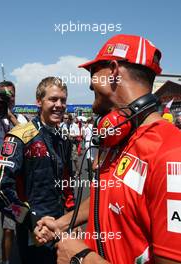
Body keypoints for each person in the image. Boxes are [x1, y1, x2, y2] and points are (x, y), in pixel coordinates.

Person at [35, 35, 181, 264]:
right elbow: (108, 197)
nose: (90, 83)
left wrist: (81, 258)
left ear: (113, 71)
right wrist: (62, 223)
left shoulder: (172, 153)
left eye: (93, 72)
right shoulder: (118, 138)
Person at [0, 76, 75, 264]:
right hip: (34, 227)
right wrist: (29, 220)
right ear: (39, 101)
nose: (59, 105)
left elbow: (67, 184)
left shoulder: (63, 140)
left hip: (60, 224)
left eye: (63, 100)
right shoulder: (20, 136)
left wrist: (72, 220)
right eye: (53, 99)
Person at [0, 81, 28, 264]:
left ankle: (7, 261)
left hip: (10, 184)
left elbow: (28, 137)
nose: (8, 99)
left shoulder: (20, 119)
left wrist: (10, 116)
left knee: (12, 223)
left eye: (11, 96)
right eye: (3, 96)